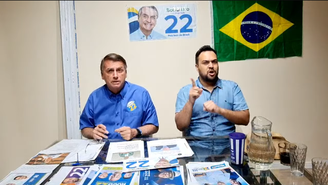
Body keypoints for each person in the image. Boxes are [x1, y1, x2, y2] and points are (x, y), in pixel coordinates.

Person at [175, 45, 249, 150]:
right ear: (197, 67)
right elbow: (180, 125)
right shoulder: (186, 91)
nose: (211, 66)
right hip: (196, 150)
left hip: (227, 149)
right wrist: (190, 102)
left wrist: (220, 110)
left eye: (214, 62)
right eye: (205, 63)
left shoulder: (232, 87)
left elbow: (245, 119)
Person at [80, 53, 159, 140]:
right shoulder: (94, 97)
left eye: (119, 70)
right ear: (102, 75)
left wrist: (135, 132)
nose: (115, 76)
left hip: (134, 145)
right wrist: (93, 133)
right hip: (104, 147)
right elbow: (85, 127)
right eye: (110, 71)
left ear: (126, 73)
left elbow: (153, 125)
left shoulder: (141, 94)